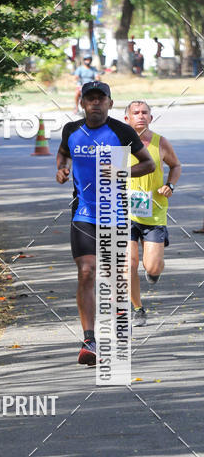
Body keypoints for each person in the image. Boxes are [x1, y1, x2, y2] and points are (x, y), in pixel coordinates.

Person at [56, 81, 156, 364]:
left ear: (110, 104)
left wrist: (120, 169)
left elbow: (148, 164)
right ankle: (89, 340)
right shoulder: (72, 130)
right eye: (91, 100)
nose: (96, 104)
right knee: (86, 271)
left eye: (101, 99)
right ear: (83, 104)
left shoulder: (121, 131)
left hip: (114, 215)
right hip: (83, 213)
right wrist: (61, 169)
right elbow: (64, 152)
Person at [124, 101, 181, 325]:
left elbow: (176, 166)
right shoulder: (119, 143)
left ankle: (154, 271)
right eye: (135, 113)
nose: (140, 116)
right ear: (126, 118)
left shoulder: (160, 142)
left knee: (153, 266)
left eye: (144, 113)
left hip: (154, 212)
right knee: (128, 263)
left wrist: (170, 185)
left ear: (151, 117)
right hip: (124, 213)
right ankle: (138, 308)